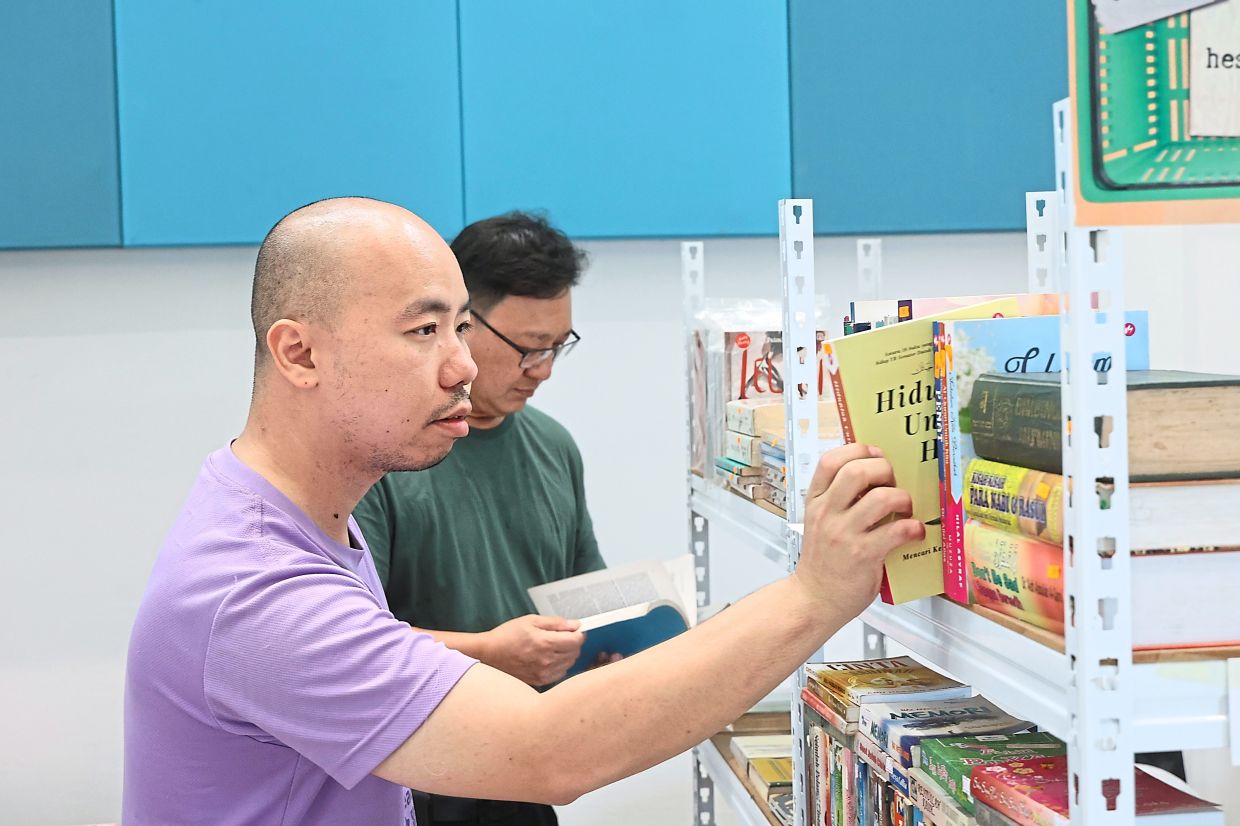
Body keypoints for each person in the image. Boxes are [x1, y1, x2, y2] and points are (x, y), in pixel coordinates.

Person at [123, 197, 923, 825]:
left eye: (458, 328)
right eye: (423, 330)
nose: (462, 367)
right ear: (300, 353)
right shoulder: (256, 588)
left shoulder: (302, 516)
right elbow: (549, 752)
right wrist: (815, 594)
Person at [354, 212, 601, 825]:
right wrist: (489, 653)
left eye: (557, 346)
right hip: (414, 789)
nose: (543, 369)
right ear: (459, 324)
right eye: (528, 348)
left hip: (524, 783)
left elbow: (586, 597)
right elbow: (350, 648)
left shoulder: (554, 446)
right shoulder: (383, 459)